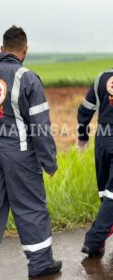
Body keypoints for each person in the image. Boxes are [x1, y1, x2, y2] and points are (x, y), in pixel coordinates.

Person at [0, 25, 62, 279]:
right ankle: (40, 264)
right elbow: (40, 126)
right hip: (21, 154)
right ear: (25, 50)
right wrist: (49, 162)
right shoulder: (27, 78)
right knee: (30, 207)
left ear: (2, 49)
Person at [78, 68, 113, 257]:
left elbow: (85, 108)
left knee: (106, 191)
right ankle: (94, 240)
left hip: (103, 137)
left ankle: (100, 240)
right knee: (111, 194)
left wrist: (82, 135)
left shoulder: (101, 77)